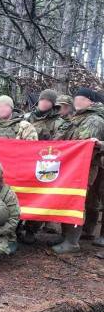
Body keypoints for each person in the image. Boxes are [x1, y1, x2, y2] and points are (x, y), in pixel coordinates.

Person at [53, 88, 104, 253]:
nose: (77, 101)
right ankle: (66, 235)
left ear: (90, 101)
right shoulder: (76, 118)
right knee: (66, 197)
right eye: (76, 98)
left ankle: (72, 242)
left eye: (81, 98)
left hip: (85, 168)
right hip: (71, 166)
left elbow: (82, 144)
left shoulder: (94, 120)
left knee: (76, 201)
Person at [21, 89, 62, 243]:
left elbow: (60, 144)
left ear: (52, 104)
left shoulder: (58, 122)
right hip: (24, 163)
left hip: (43, 164)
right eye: (42, 100)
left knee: (38, 195)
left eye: (48, 101)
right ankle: (16, 227)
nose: (44, 103)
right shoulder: (25, 118)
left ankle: (32, 230)